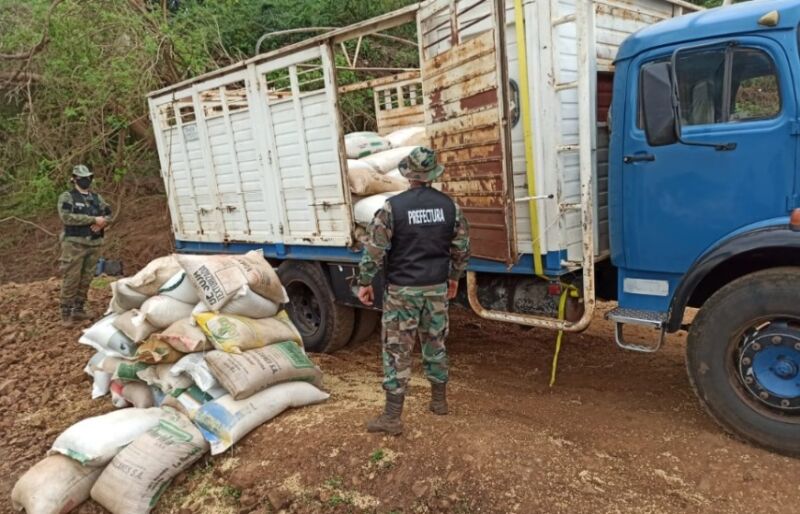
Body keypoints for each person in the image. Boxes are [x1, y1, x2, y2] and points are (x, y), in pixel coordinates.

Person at [357, 146, 470, 436]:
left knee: (397, 350)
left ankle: (392, 418)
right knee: (435, 343)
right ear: (433, 175)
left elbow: (375, 250)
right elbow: (461, 249)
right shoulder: (450, 207)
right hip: (435, 289)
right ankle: (439, 402)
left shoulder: (393, 208)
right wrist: (455, 277)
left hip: (402, 292)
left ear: (408, 175)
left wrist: (365, 281)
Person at [58, 164, 112, 322]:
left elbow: (108, 214)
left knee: (87, 277)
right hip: (74, 244)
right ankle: (66, 312)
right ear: (74, 179)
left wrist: (103, 222)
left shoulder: (96, 198)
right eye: (82, 178)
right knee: (72, 278)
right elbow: (66, 217)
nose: (86, 181)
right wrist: (93, 220)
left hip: (94, 244)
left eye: (88, 178)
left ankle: (79, 308)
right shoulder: (67, 197)